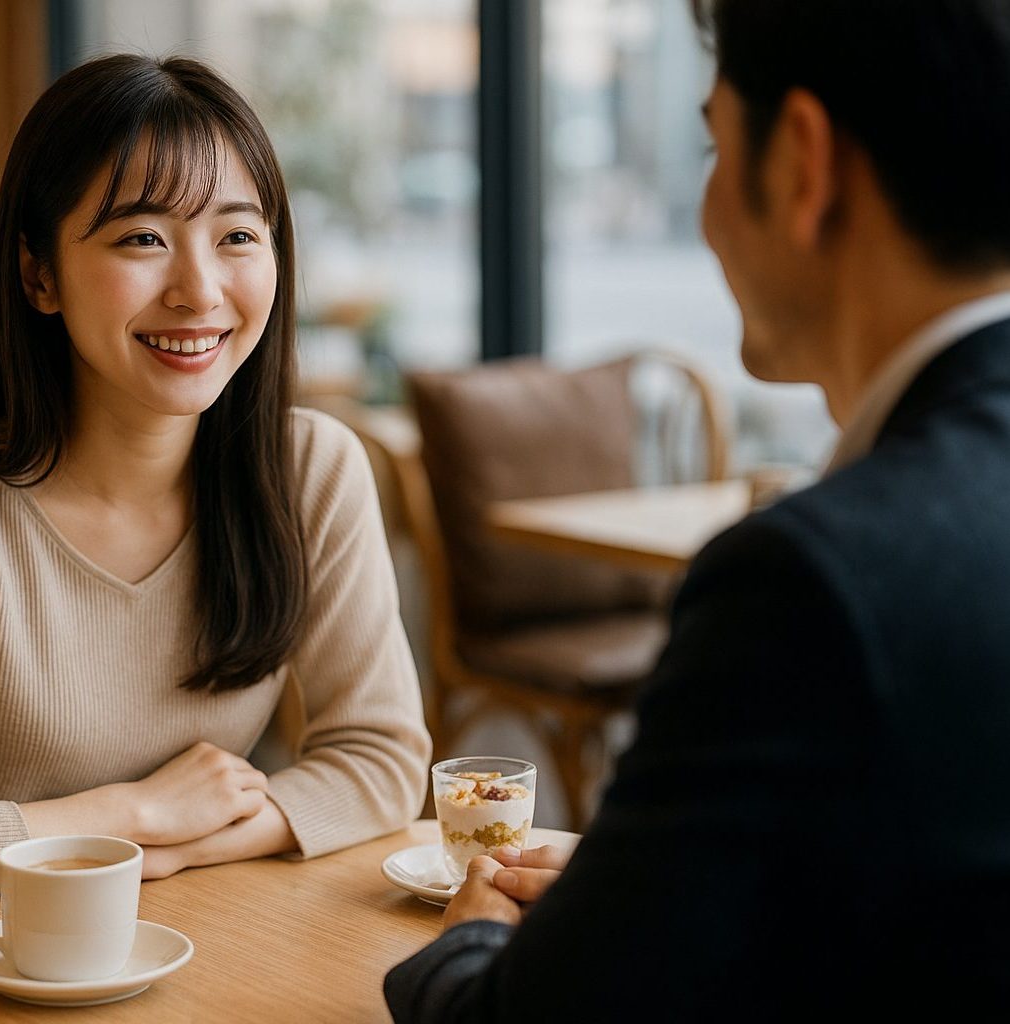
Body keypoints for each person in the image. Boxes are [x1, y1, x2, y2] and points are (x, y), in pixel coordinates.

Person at [0, 52, 430, 1021]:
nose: (199, 290)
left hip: (178, 939)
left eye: (238, 235)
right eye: (143, 238)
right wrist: (136, 813)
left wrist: (185, 845)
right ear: (38, 273)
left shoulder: (309, 467)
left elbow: (385, 759)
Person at [386, 0, 1010, 1019]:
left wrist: (470, 940)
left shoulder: (812, 578)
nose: (708, 208)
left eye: (716, 146)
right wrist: (650, 885)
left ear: (804, 163)